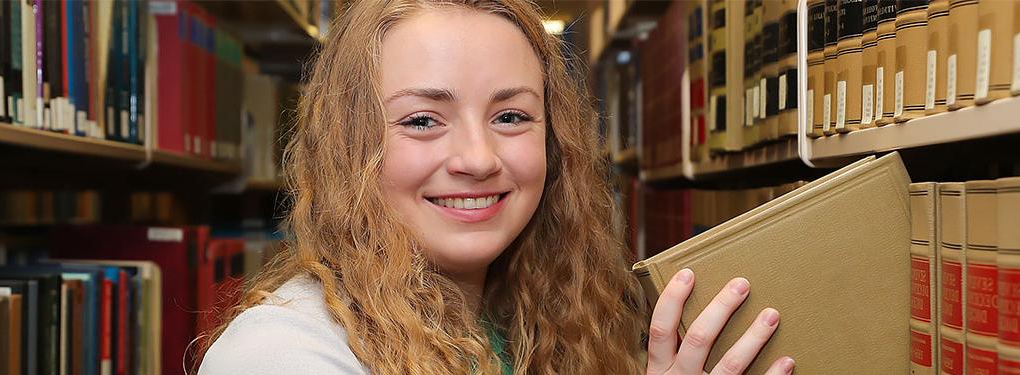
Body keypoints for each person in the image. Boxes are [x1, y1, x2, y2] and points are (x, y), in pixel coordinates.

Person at [196, 1, 795, 374]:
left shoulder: (540, 322)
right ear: (347, 148)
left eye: (510, 116)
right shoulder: (279, 356)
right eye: (422, 121)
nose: (479, 159)